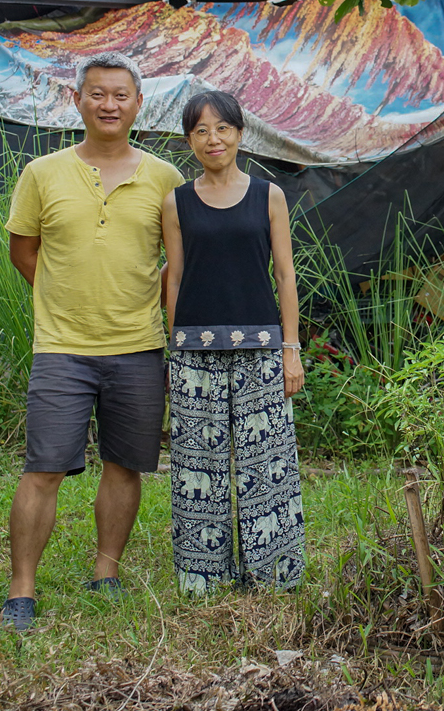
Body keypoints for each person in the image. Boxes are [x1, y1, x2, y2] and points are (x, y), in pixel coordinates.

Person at [0, 51, 184, 631]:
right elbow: (23, 250)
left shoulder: (164, 178)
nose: (109, 104)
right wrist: (63, 295)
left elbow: (176, 262)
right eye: (97, 94)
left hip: (137, 345)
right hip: (62, 347)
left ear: (138, 105)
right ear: (77, 100)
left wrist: (142, 299)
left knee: (126, 465)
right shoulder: (43, 173)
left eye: (120, 95)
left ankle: (106, 572)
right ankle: (21, 589)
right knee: (44, 467)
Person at [162, 89, 306, 592]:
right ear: (189, 142)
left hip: (262, 350)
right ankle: (202, 576)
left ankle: (272, 575)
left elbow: (286, 276)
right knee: (197, 465)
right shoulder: (175, 201)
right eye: (200, 130)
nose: (213, 139)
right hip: (194, 355)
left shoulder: (268, 195)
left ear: (240, 133)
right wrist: (173, 350)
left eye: (222, 128)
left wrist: (291, 349)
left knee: (267, 463)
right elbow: (174, 278)